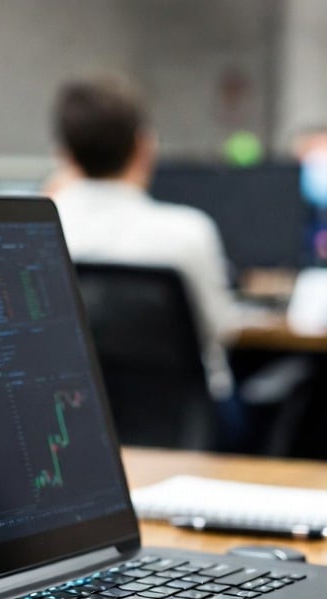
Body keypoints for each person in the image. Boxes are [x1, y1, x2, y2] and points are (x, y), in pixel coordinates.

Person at [48, 74, 241, 445]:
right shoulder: (187, 231)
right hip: (186, 424)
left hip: (73, 419)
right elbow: (220, 331)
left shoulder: (43, 225)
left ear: (65, 154)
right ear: (144, 147)